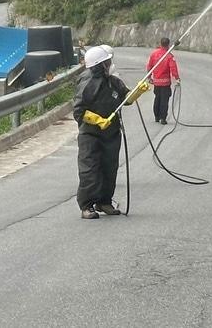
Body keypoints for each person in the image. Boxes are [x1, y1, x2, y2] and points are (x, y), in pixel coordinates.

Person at [73, 45, 148, 220]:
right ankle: (87, 206)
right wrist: (98, 120)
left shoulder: (113, 81)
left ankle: (104, 202)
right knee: (90, 170)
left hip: (112, 134)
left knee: (109, 168)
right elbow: (78, 111)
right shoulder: (87, 83)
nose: (110, 64)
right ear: (100, 65)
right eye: (107, 62)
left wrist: (137, 92)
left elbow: (125, 99)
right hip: (90, 135)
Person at [145, 37, 181, 124]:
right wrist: (177, 78)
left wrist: (149, 77)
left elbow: (149, 66)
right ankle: (163, 118)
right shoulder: (169, 56)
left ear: (160, 44)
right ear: (168, 45)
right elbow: (173, 68)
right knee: (164, 100)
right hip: (165, 83)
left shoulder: (154, 54)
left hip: (156, 82)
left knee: (157, 98)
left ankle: (156, 116)